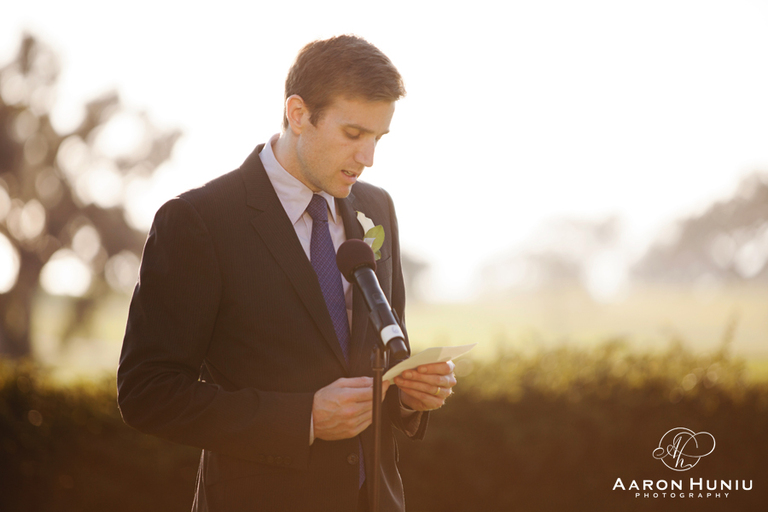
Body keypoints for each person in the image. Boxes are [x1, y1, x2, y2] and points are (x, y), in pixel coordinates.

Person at [117, 35, 457, 512]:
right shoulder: (199, 221)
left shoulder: (378, 208)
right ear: (298, 114)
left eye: (378, 139)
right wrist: (305, 419)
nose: (368, 158)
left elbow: (377, 353)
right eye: (353, 134)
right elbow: (146, 393)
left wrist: (408, 396)